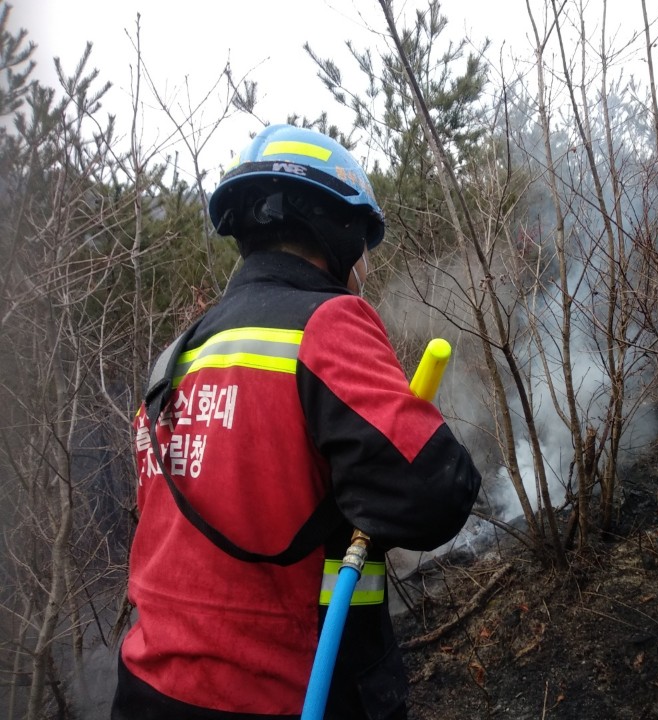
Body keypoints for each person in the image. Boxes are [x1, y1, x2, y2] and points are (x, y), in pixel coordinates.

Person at [112, 124, 481, 720]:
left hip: (144, 689)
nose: (362, 265)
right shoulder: (327, 322)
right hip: (280, 691)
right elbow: (436, 493)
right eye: (362, 244)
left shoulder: (178, 354)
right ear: (337, 228)